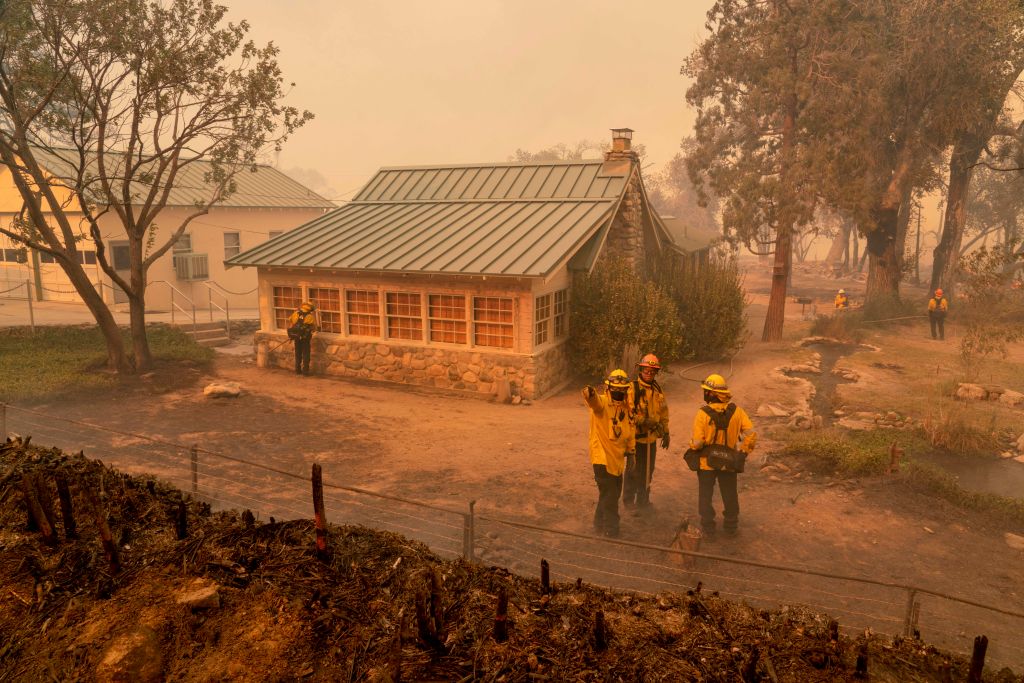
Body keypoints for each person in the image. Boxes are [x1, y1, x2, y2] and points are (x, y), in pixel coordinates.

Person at [687, 374, 756, 538]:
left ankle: (708, 529)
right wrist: (744, 452)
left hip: (706, 463)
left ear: (712, 394)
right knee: (730, 494)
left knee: (705, 496)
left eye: (706, 391)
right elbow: (751, 435)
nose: (705, 393)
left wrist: (691, 445)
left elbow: (697, 443)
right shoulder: (737, 412)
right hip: (729, 462)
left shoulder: (702, 414)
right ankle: (731, 528)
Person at [582, 369, 636, 538]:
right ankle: (611, 530)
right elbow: (593, 401)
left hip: (617, 460)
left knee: (607, 494)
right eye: (615, 389)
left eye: (622, 389)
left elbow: (630, 433)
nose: (618, 392)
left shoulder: (627, 410)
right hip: (602, 459)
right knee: (611, 496)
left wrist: (632, 454)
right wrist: (589, 392)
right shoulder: (602, 404)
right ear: (608, 388)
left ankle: (598, 524)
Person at [623, 353, 669, 512]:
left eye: (652, 371)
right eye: (646, 371)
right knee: (633, 471)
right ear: (640, 370)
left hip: (651, 439)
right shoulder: (632, 389)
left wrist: (666, 431)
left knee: (648, 471)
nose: (649, 374)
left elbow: (663, 411)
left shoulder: (657, 389)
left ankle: (643, 500)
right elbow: (627, 414)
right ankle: (629, 501)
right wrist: (642, 421)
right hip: (635, 440)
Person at [287, 301, 317, 375]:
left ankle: (297, 370)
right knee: (306, 353)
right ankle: (305, 371)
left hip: (296, 336)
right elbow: (313, 328)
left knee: (298, 353)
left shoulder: (296, 313)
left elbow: (290, 321)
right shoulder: (310, 316)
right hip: (305, 337)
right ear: (310, 308)